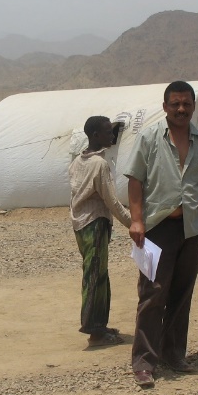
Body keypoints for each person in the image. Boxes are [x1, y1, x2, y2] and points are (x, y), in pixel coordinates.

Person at [122, 81, 198, 388]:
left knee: (181, 293)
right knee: (153, 295)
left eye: (186, 104)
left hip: (191, 227)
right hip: (157, 227)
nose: (181, 109)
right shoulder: (150, 137)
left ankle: (174, 354)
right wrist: (136, 221)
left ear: (193, 106)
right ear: (165, 107)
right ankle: (144, 361)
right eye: (175, 104)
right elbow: (135, 181)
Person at [68, 116, 132, 347]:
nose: (112, 136)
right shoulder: (100, 165)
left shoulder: (77, 162)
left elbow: (76, 195)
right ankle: (94, 330)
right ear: (95, 135)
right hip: (94, 224)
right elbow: (112, 201)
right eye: (107, 132)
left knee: (97, 274)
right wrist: (132, 224)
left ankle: (100, 324)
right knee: (95, 276)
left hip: (81, 224)